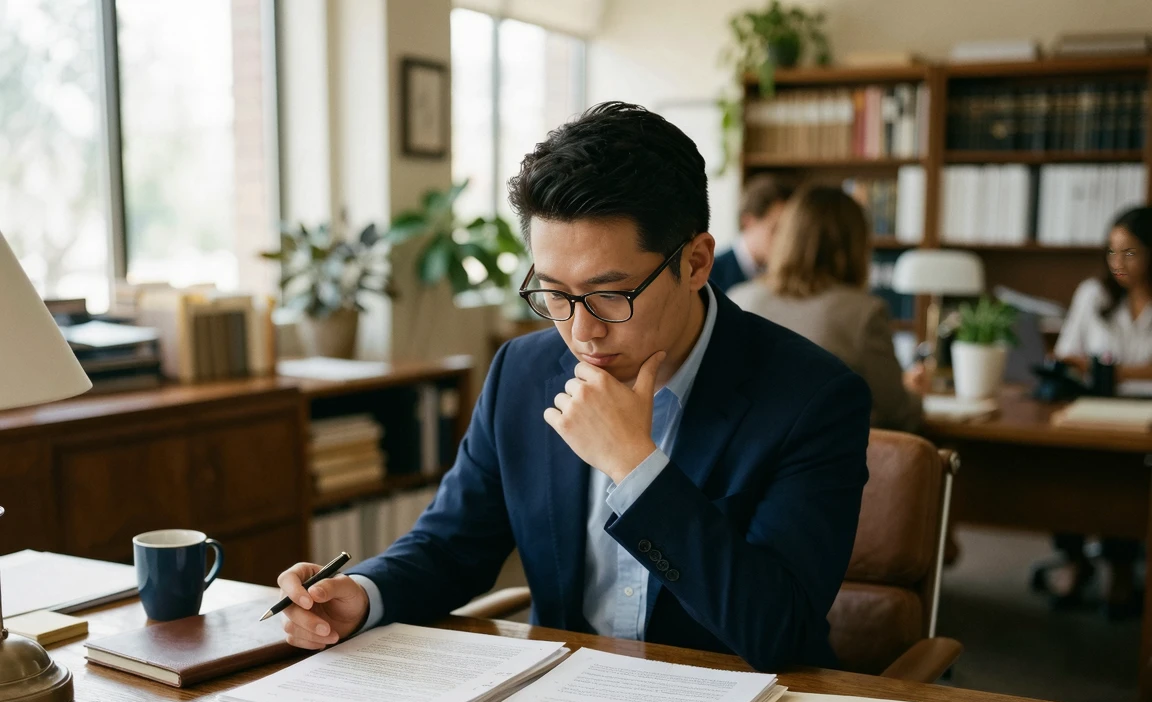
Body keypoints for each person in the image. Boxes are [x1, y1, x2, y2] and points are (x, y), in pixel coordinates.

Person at [275, 102, 872, 672]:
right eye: (554, 293)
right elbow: (451, 545)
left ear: (695, 263)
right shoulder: (521, 373)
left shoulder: (813, 398)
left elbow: (776, 631)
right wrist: (363, 593)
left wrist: (635, 467)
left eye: (612, 293)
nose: (581, 332)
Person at [728, 184, 925, 433]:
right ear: (856, 245)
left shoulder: (738, 299)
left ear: (788, 236)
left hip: (737, 464)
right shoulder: (864, 313)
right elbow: (897, 413)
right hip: (820, 464)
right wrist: (915, 394)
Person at [1035, 205, 1152, 615]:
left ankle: (1121, 568)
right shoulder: (1093, 294)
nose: (1117, 263)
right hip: (1090, 409)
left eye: (1130, 252)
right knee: (1065, 466)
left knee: (1127, 475)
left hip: (1144, 417)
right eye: (1112, 251)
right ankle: (1074, 559)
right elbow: (1068, 354)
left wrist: (1113, 371)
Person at [709, 175, 794, 294]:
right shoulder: (709, 274)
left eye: (790, 232)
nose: (785, 242)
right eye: (776, 229)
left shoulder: (789, 276)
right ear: (748, 222)